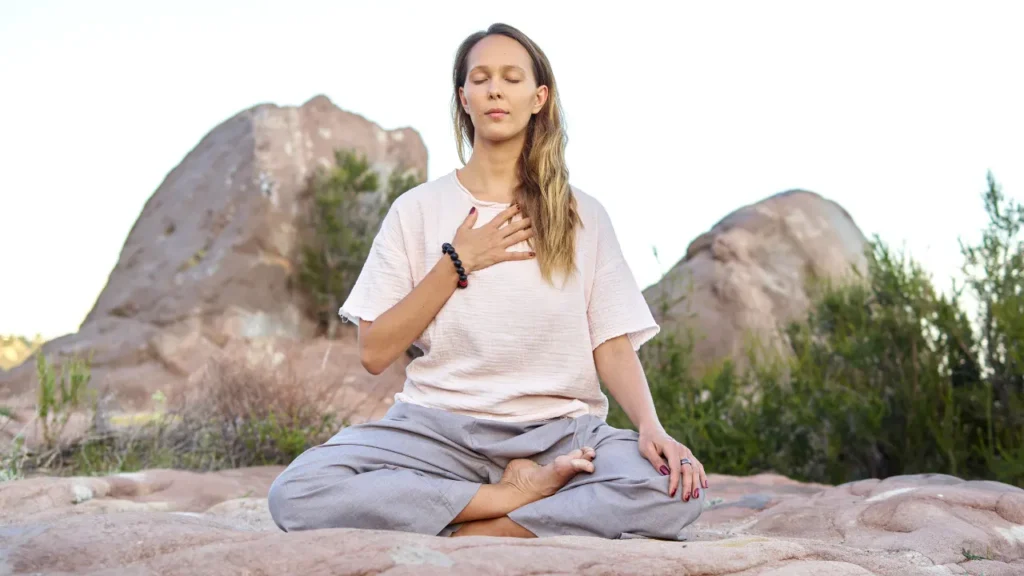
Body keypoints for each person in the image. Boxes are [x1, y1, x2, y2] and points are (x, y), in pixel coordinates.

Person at [268, 22, 708, 540]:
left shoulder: (582, 215)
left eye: (511, 78)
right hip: (435, 430)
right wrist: (457, 263)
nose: (495, 89)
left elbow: (609, 344)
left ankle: (485, 530)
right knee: (298, 492)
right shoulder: (417, 210)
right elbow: (374, 350)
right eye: (480, 79)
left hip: (560, 435)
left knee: (674, 493)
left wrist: (652, 429)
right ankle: (509, 498)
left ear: (538, 97)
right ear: (464, 97)